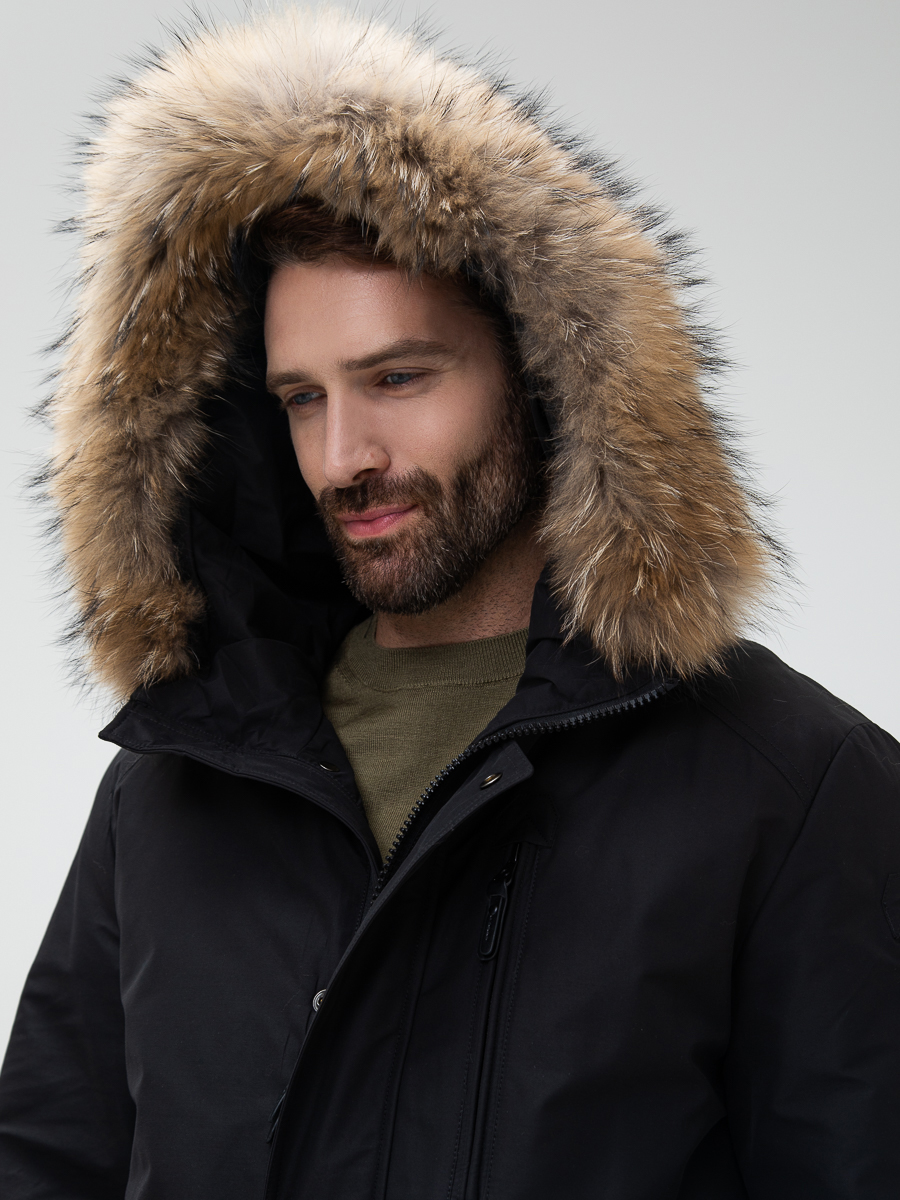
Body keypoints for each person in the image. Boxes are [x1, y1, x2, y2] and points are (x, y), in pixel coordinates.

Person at [1, 7, 898, 1198]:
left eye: (398, 377)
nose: (344, 457)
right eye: (302, 398)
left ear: (538, 373)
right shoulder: (173, 780)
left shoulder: (792, 787)